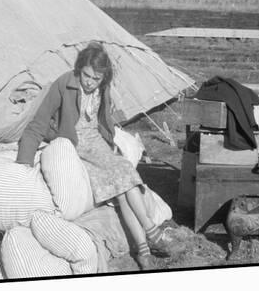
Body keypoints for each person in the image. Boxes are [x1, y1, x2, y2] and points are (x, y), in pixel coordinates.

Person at [16, 41, 186, 270]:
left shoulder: (102, 88)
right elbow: (38, 124)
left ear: (102, 78)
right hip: (77, 145)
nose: (89, 82)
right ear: (79, 69)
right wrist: (24, 162)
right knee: (124, 175)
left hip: (98, 143)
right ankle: (151, 230)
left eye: (96, 79)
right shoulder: (63, 84)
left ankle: (143, 251)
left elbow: (104, 119)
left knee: (123, 187)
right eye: (86, 76)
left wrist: (111, 141)